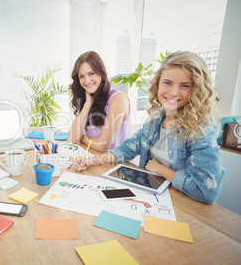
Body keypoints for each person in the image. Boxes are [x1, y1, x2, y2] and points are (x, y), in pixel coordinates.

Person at [75, 51, 224, 204]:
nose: (173, 92)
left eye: (184, 86)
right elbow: (126, 149)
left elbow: (206, 190)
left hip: (183, 206)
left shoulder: (203, 128)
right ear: (158, 84)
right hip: (152, 197)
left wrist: (162, 170)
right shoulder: (156, 120)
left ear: (197, 90)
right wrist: (92, 160)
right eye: (167, 83)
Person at [68, 51, 131, 153]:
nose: (87, 81)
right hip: (93, 160)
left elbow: (102, 146)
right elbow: (73, 138)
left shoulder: (119, 99)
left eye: (91, 73)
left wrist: (82, 137)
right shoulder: (88, 97)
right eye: (82, 76)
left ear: (101, 72)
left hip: (116, 166)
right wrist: (88, 103)